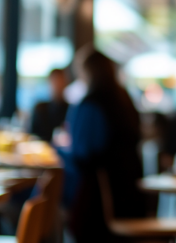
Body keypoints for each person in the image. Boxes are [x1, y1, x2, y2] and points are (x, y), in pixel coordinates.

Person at [60, 50, 145, 241]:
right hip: (131, 192)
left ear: (87, 73)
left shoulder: (90, 104)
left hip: (100, 201)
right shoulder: (125, 99)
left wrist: (58, 151)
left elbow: (81, 155)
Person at [29, 69, 69, 142]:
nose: (57, 85)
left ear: (65, 83)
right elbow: (31, 136)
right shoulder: (40, 108)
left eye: (60, 81)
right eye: (55, 82)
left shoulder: (71, 110)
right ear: (49, 83)